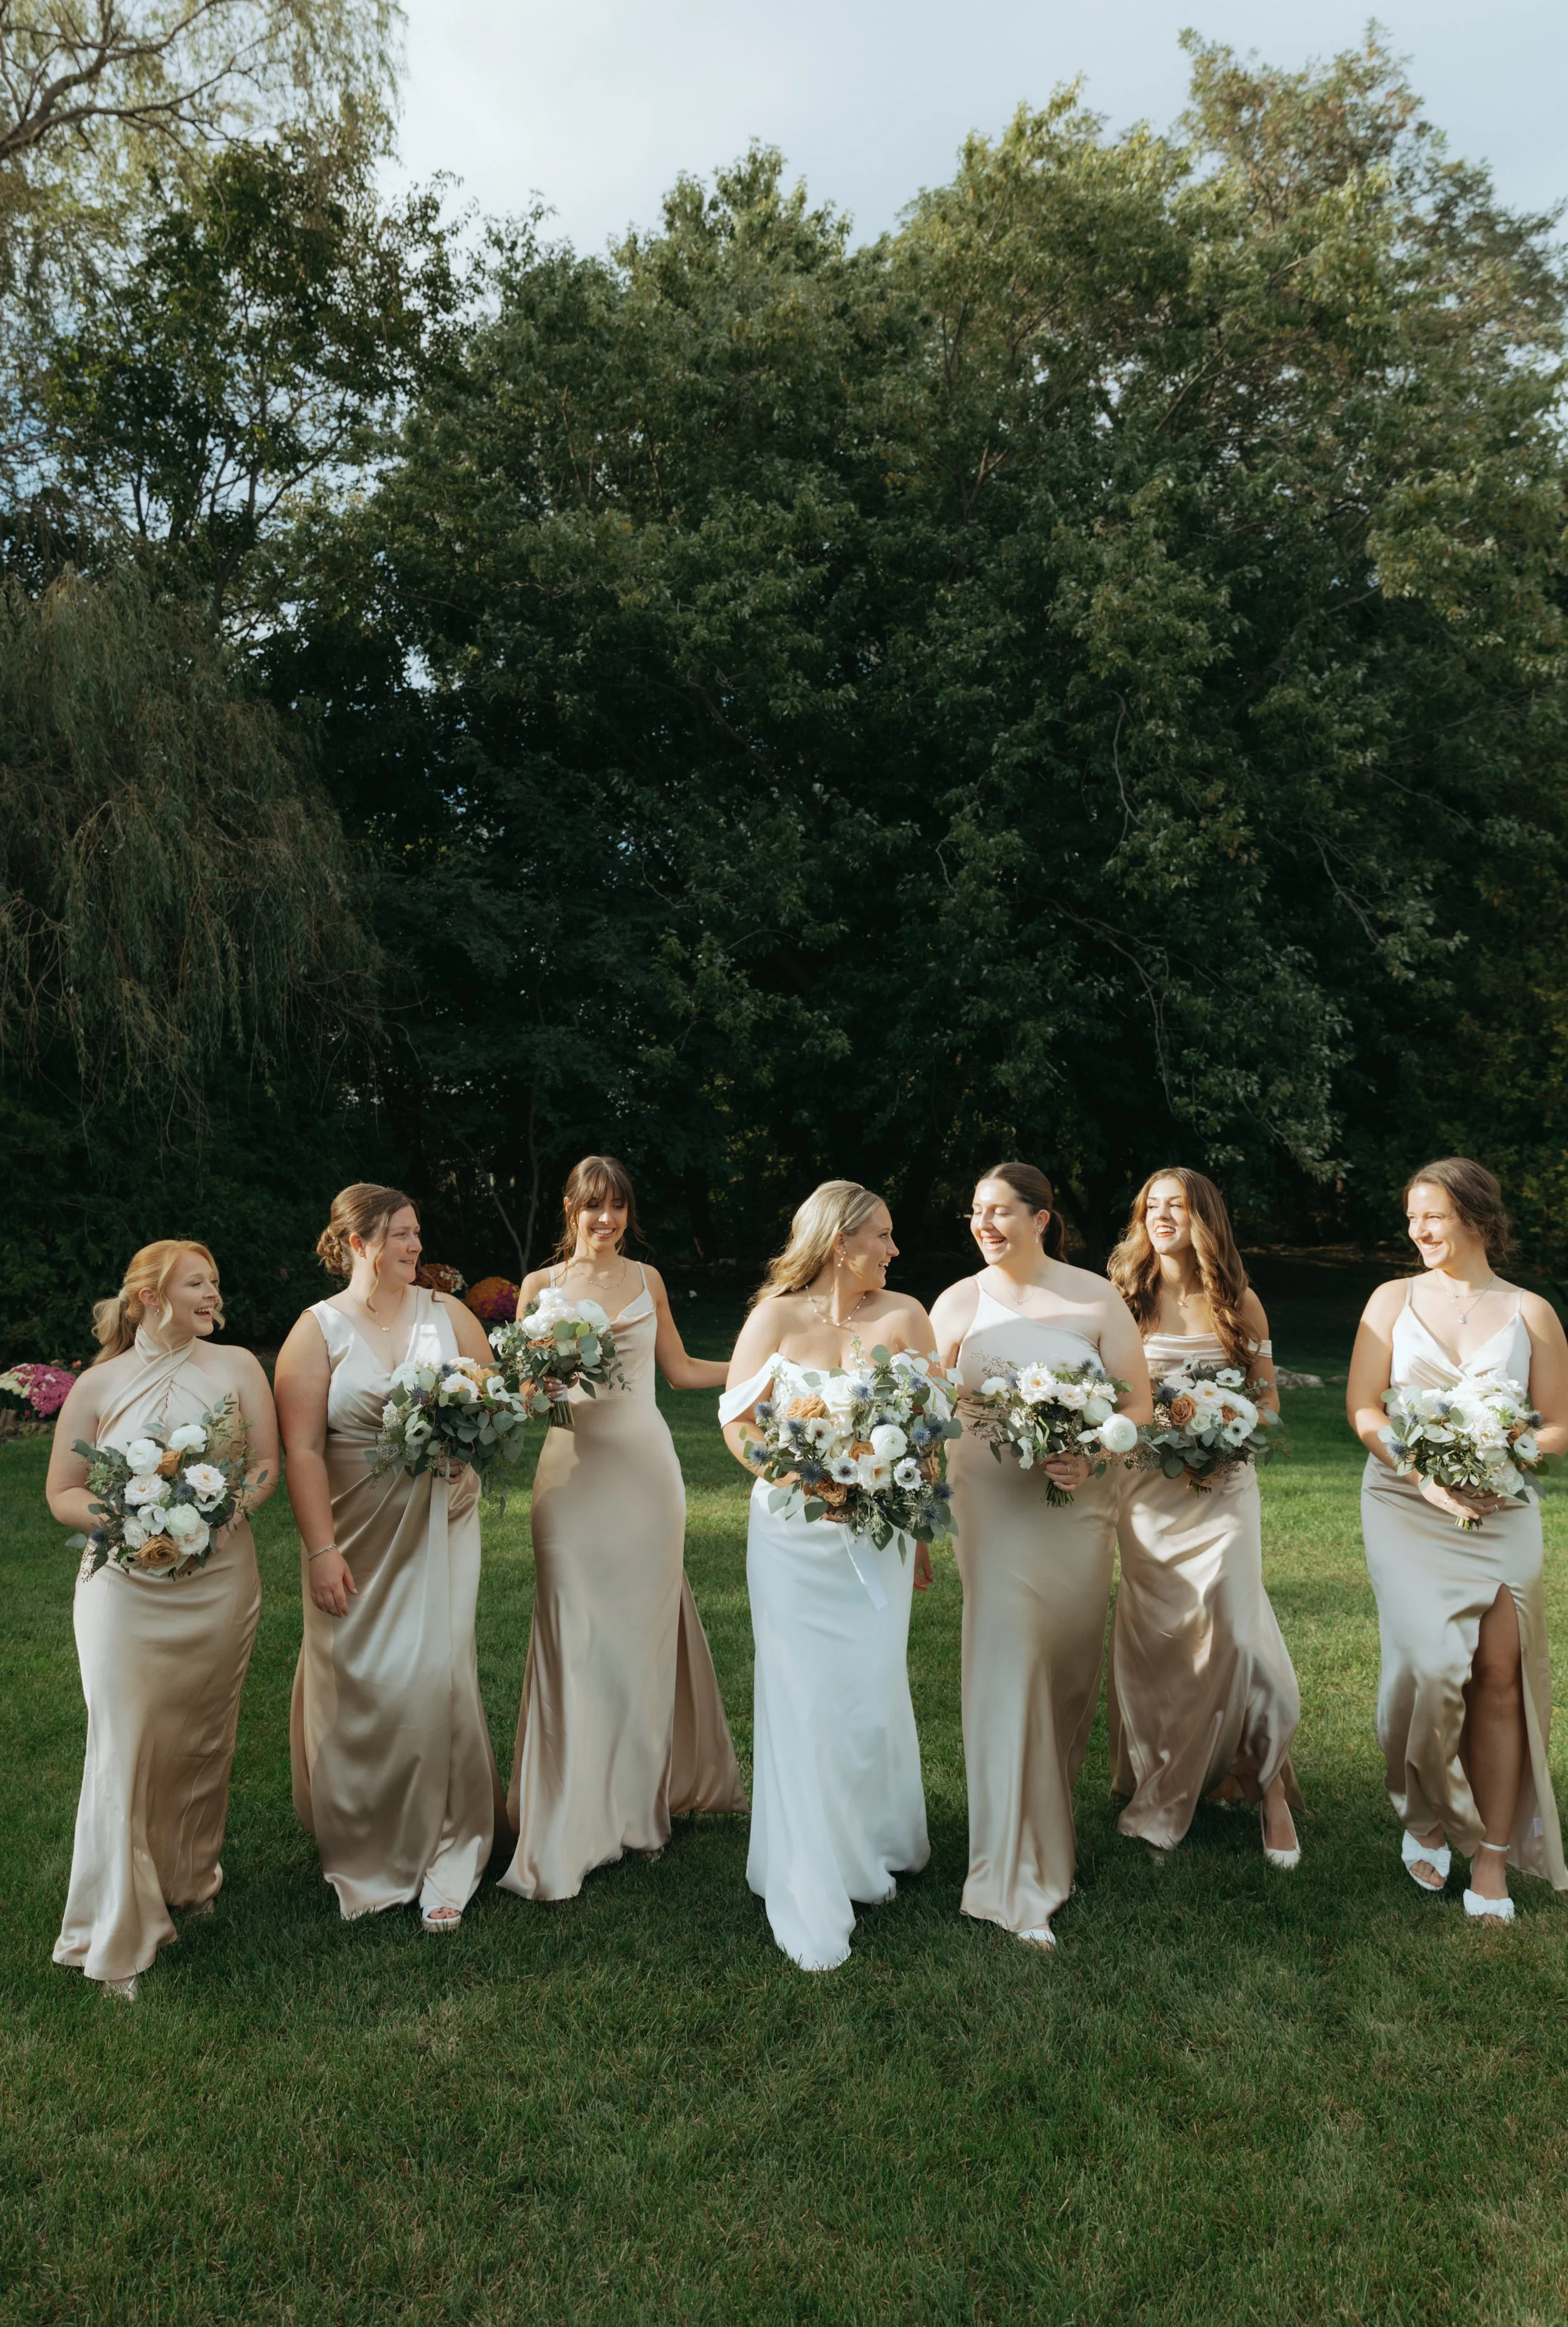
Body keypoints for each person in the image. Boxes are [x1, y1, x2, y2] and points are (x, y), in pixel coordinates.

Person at [499, 1155, 745, 1902]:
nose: (605, 1220)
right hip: (572, 1475)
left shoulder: (649, 1280)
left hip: (646, 1475)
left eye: (618, 1207)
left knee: (640, 1643)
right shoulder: (539, 1291)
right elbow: (525, 1399)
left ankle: (638, 1813)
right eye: (592, 1206)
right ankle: (567, 1815)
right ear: (570, 1209)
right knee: (572, 1634)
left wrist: (762, 1367)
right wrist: (542, 1390)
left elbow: (678, 1370)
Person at [46, 1241, 278, 1998]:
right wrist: (123, 1523)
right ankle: (116, 1929)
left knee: (203, 1738)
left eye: (216, 1280)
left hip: (219, 1583)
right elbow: (62, 1492)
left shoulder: (240, 1365)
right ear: (152, 1295)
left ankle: (191, 1878)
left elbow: (266, 1463)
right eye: (199, 1283)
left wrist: (217, 1516)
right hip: (121, 1586)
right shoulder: (99, 1383)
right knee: (124, 1742)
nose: (215, 1293)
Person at [931, 1163, 1150, 1951]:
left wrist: (1090, 1452)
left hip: (1077, 1506)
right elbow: (926, 1402)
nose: (984, 1224)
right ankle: (1011, 1873)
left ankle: (1046, 1828)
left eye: (999, 1211)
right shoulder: (956, 1301)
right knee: (1010, 1662)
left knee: (1063, 1670)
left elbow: (1135, 1401)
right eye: (975, 1212)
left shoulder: (1094, 1296)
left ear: (1042, 1217)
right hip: (990, 1508)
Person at [274, 1184, 504, 1932]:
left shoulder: (449, 1314)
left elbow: (497, 1403)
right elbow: (303, 1449)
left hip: (441, 1521)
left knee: (438, 1672)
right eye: (401, 1235)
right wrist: (320, 1549)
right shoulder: (318, 1330)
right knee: (361, 1683)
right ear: (359, 1243)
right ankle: (369, 1850)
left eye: (416, 1234)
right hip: (354, 1529)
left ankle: (450, 1848)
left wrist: (471, 1444)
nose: (414, 1247)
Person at [1347, 1158, 1568, 1920]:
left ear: (1474, 1215)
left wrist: (1504, 1452)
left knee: (1499, 1679)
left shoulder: (1531, 1311)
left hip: (1502, 1512)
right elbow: (1364, 1409)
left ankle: (1493, 1860)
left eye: (1432, 1215)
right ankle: (1426, 1807)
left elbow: (1557, 1424)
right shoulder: (1390, 1299)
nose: (1418, 1230)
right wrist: (1423, 1469)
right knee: (1427, 1663)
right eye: (1412, 1217)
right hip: (1406, 1503)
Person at [721, 1181, 934, 1970]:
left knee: (869, 1691)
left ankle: (870, 1842)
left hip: (879, 1533)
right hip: (793, 1534)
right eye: (882, 1235)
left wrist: (918, 1529)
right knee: (801, 1693)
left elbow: (928, 1431)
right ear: (841, 1242)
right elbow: (738, 1425)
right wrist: (804, 1476)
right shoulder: (773, 1317)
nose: (893, 1249)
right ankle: (806, 1866)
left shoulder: (906, 1316)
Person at [1105, 1168, 1303, 1863]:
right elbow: (1109, 1403)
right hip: (1146, 1490)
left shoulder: (1238, 1301)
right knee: (1161, 1636)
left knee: (1233, 1626)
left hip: (1223, 1485)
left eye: (1177, 1205)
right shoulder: (1122, 1301)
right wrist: (1164, 1431)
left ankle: (1272, 1785)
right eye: (1150, 1206)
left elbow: (1268, 1402)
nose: (1161, 1217)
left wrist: (1224, 1429)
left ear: (1203, 1218)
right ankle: (1165, 1773)